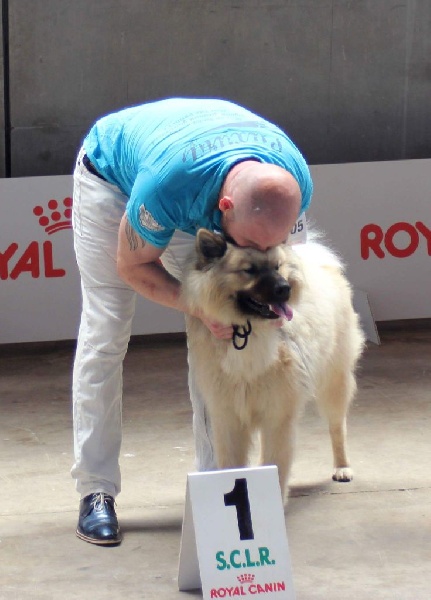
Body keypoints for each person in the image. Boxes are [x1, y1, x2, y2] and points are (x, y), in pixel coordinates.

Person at [71, 98, 313, 545]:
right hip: (116, 178)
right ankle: (95, 489)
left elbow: (288, 263)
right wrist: (201, 307)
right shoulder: (167, 188)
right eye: (251, 246)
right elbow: (132, 265)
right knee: (107, 332)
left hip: (199, 183)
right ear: (225, 208)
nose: (263, 254)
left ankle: (217, 486)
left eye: (271, 247)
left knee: (217, 339)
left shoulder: (292, 182)